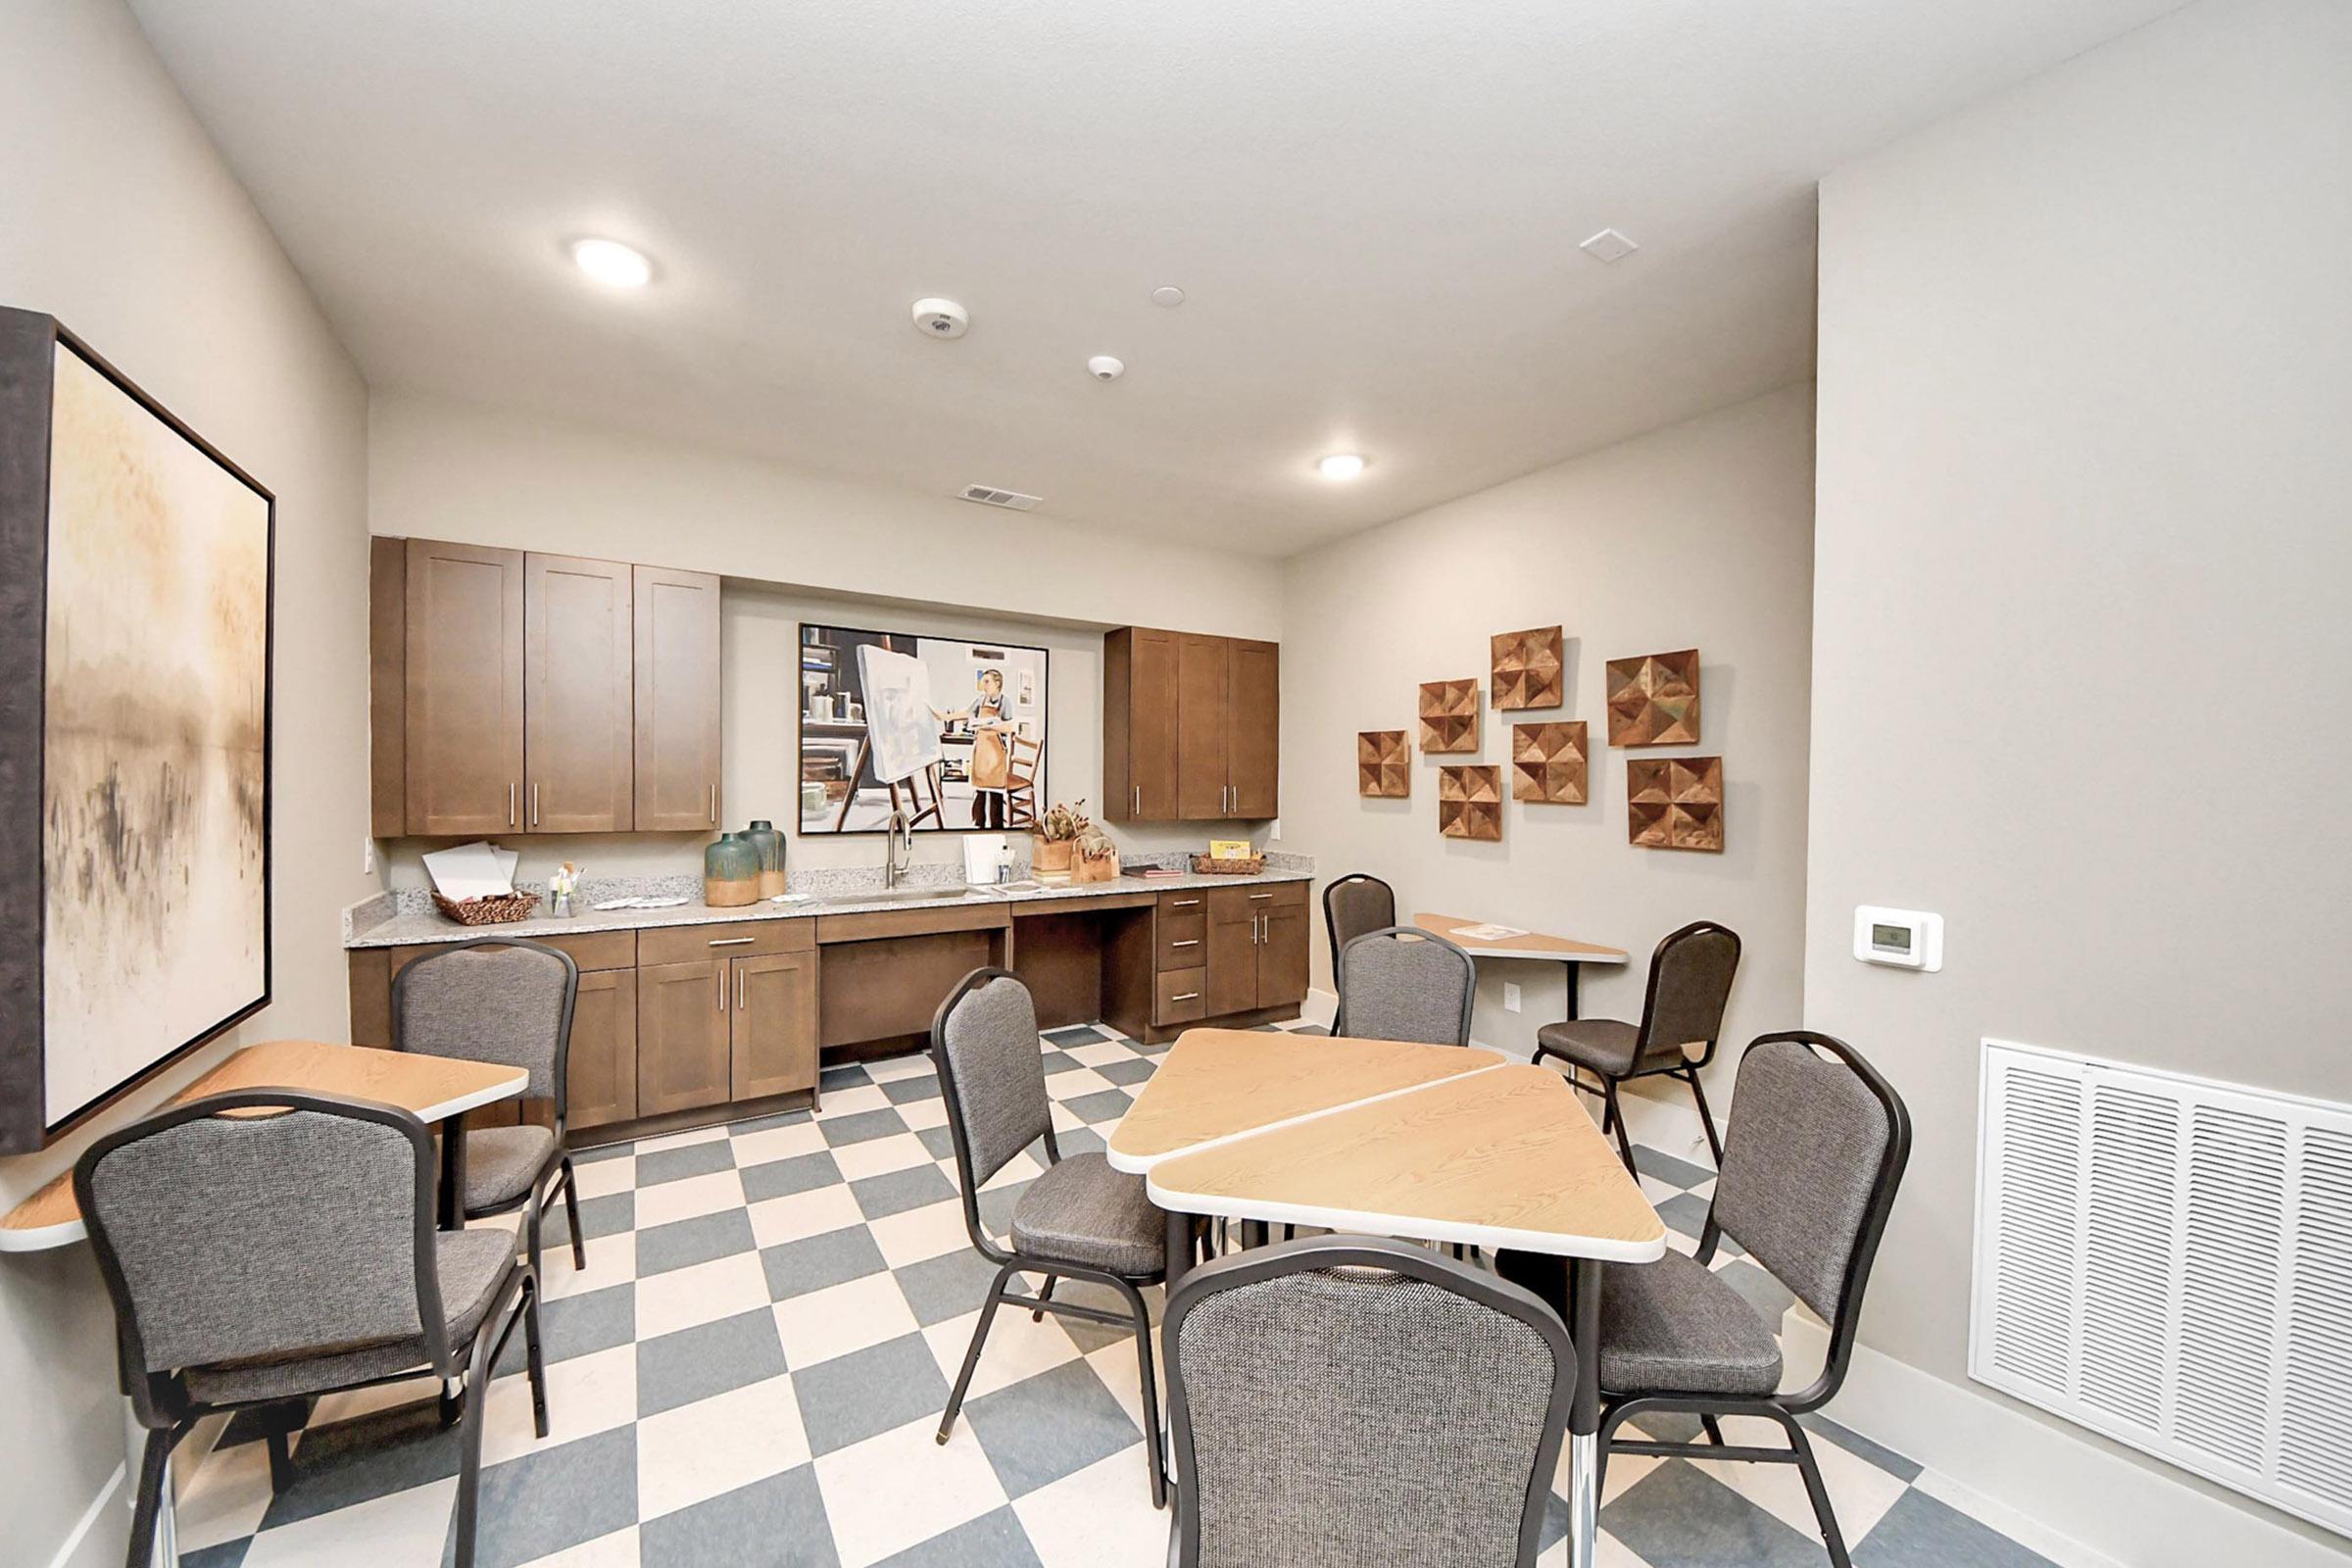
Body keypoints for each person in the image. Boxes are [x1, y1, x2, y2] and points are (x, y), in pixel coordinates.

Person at [934, 667, 1013, 828]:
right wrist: (945, 717)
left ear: (997, 683)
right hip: (982, 750)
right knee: (980, 790)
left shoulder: (1005, 702)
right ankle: (979, 825)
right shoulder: (980, 700)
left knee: (995, 792)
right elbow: (967, 714)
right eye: (983, 681)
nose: (984, 685)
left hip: (996, 752)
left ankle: (997, 828)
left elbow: (1010, 726)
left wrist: (994, 725)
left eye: (987, 681)